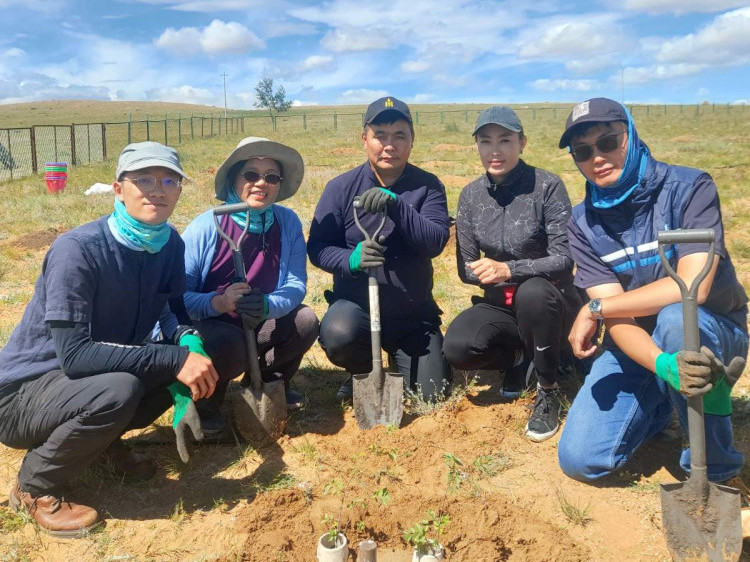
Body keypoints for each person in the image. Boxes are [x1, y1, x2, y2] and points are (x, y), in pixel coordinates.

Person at [0, 142, 219, 537]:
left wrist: (188, 341)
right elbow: (75, 356)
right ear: (118, 189)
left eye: (170, 180)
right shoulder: (78, 250)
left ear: (180, 191)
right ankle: (35, 485)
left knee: (177, 366)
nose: (158, 189)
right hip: (22, 395)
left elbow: (169, 310)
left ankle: (96, 445)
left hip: (85, 381)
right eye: (144, 179)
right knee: (122, 387)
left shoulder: (169, 244)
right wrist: (172, 360)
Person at [557, 97, 749, 482]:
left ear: (630, 134)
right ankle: (665, 394)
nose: (597, 156)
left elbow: (693, 286)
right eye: (583, 151)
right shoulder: (582, 222)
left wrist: (595, 308)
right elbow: (618, 314)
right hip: (639, 344)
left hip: (709, 328)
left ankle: (714, 468)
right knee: (580, 459)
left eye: (608, 141)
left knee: (677, 318)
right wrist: (660, 363)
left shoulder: (689, 188)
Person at [442, 106, 578, 442]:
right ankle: (521, 356)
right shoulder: (471, 196)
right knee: (458, 348)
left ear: (522, 143)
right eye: (486, 141)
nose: (495, 150)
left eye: (505, 140)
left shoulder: (547, 186)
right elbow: (466, 268)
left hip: (551, 300)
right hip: (501, 302)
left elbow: (564, 259)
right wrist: (490, 276)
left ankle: (549, 389)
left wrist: (509, 269)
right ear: (477, 146)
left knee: (532, 292)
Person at [308, 96, 451, 402]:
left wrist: (398, 206)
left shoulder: (428, 186)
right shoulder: (341, 188)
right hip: (357, 309)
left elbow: (435, 242)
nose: (390, 144)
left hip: (412, 314)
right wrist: (351, 259)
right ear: (364, 139)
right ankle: (361, 370)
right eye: (380, 135)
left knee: (431, 396)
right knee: (338, 335)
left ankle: (406, 362)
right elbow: (318, 247)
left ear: (412, 141)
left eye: (400, 135)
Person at [173, 137, 319, 428]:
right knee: (230, 343)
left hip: (259, 320)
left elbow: (294, 282)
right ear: (234, 179)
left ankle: (268, 381)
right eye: (250, 175)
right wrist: (217, 303)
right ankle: (206, 402)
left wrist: (268, 305)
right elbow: (177, 299)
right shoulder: (206, 227)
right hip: (211, 327)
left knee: (305, 321)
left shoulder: (287, 222)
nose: (261, 183)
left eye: (271, 177)